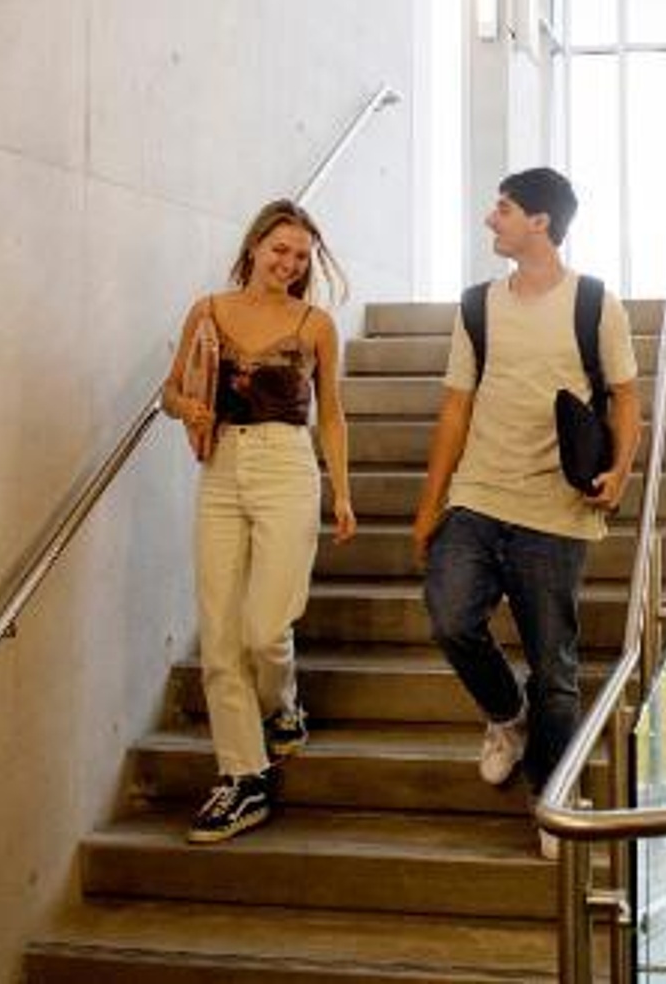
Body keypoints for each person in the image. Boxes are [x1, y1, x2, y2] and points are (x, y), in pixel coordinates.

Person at [411, 168, 641, 859]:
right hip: (478, 496)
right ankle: (506, 717)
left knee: (556, 668)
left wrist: (622, 470)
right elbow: (455, 408)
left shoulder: (595, 303)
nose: (491, 220)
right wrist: (429, 508)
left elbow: (627, 396)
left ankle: (555, 793)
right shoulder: (477, 305)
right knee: (450, 615)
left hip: (556, 510)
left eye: (504, 209)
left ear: (540, 221)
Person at [161, 198, 357, 843]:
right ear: (253, 248)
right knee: (219, 632)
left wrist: (343, 493)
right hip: (220, 466)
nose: (290, 262)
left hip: (286, 466)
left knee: (265, 627)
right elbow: (170, 391)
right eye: (280, 249)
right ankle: (243, 778)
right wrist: (189, 406)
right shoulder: (208, 312)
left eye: (301, 255)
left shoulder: (315, 324)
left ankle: (283, 705)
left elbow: (330, 414)